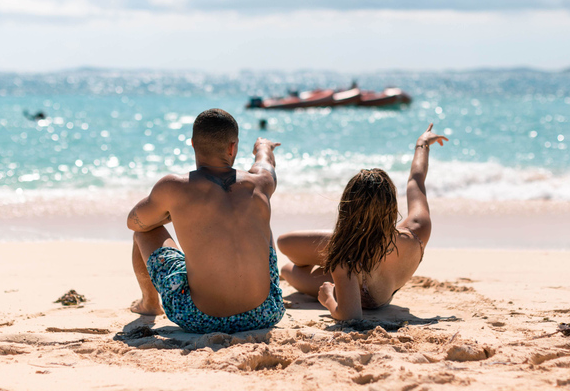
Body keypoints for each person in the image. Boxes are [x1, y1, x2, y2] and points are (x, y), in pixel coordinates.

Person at [128, 108, 285, 333]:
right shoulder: (261, 182)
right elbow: (266, 163)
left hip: (200, 318)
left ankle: (149, 304)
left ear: (193, 144)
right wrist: (263, 147)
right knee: (260, 217)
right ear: (233, 147)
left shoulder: (174, 187)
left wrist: (175, 212)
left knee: (145, 231)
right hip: (265, 312)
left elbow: (134, 222)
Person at [277, 123, 447, 320]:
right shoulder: (418, 229)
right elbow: (416, 180)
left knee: (288, 268)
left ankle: (314, 259)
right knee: (286, 244)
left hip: (358, 280)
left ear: (347, 208)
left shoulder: (345, 258)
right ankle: (321, 256)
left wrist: (328, 299)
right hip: (381, 294)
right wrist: (422, 143)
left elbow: (350, 316)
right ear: (391, 205)